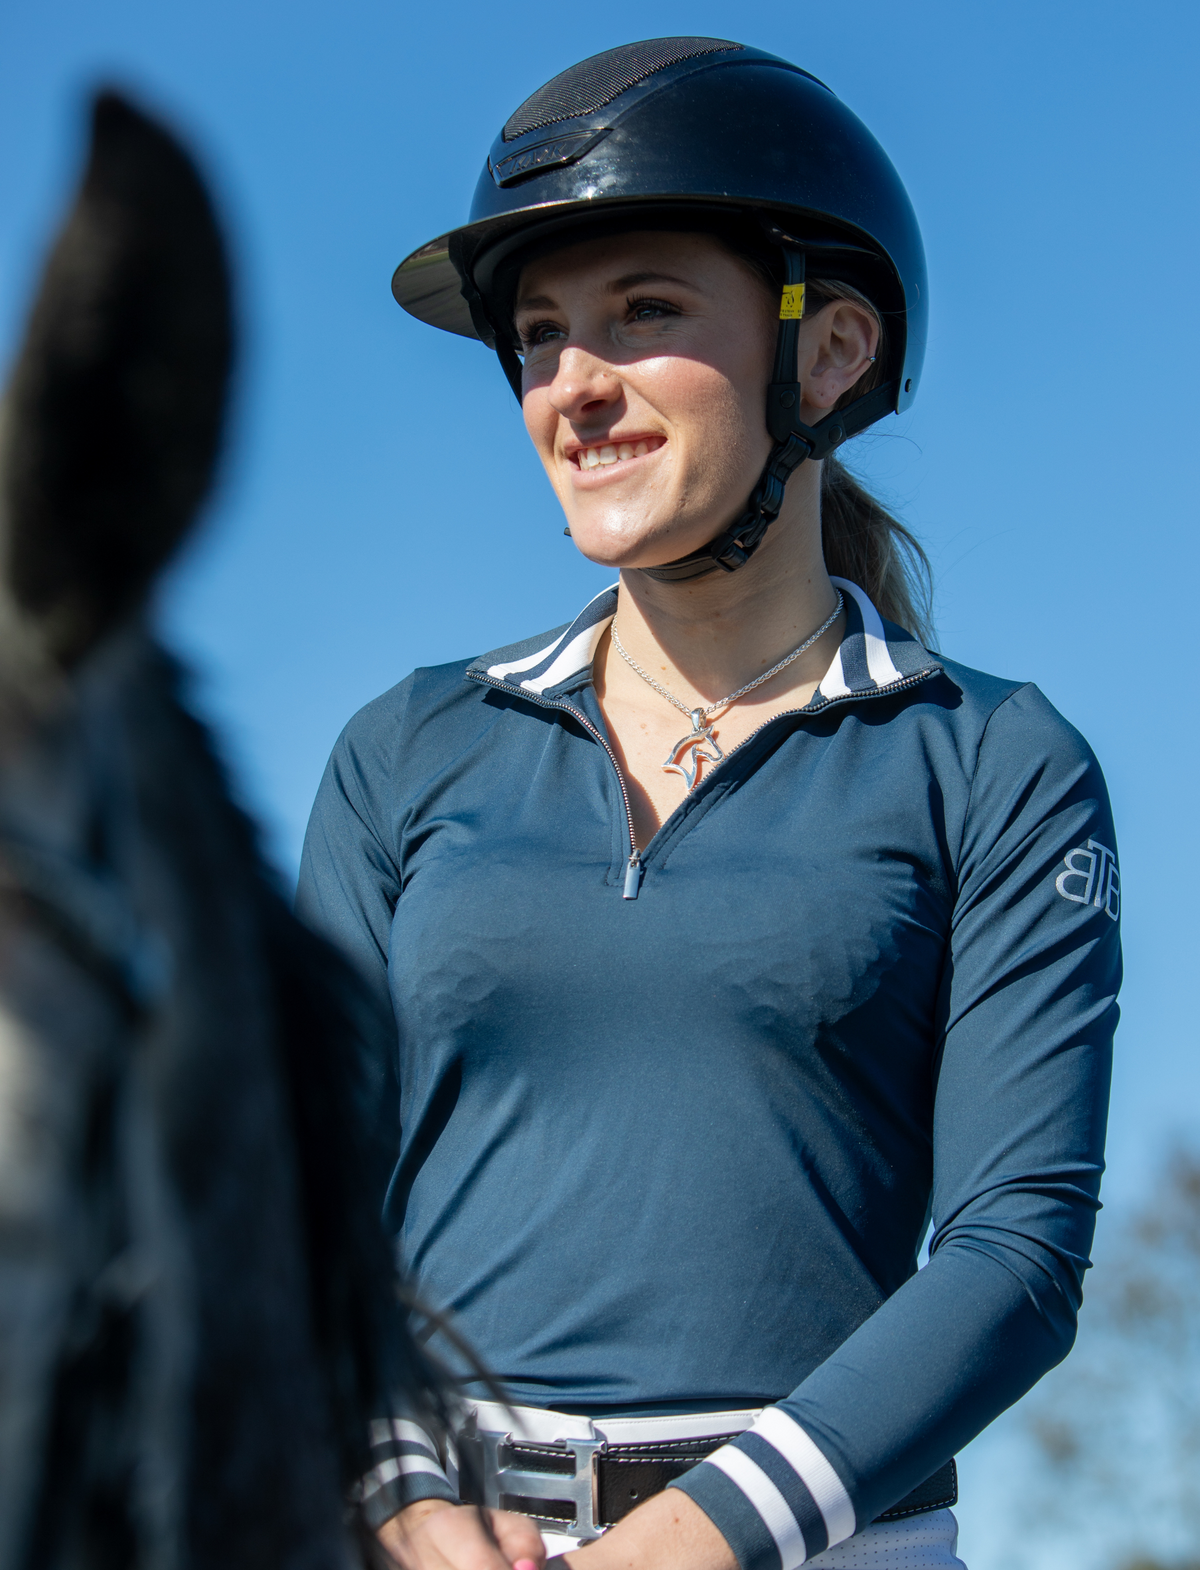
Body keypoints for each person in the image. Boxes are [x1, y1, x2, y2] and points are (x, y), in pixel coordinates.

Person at [297, 38, 1120, 1570]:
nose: (574, 386)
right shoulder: (403, 748)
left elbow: (1016, 1251)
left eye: (646, 313)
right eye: (539, 337)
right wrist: (403, 1493)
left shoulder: (997, 759)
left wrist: (698, 1537)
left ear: (831, 351)